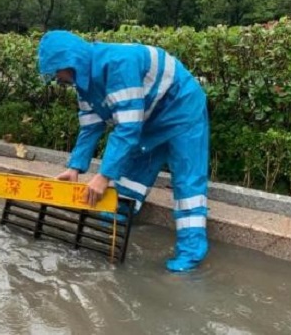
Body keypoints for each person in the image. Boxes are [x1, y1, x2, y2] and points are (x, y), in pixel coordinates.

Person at [38, 30, 209, 272]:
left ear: (70, 62)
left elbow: (128, 128)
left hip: (182, 109)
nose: (57, 77)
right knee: (132, 177)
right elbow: (90, 127)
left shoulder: (118, 65)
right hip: (150, 118)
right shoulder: (84, 84)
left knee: (187, 182)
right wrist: (75, 167)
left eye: (57, 71)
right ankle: (116, 220)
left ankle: (190, 254)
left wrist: (104, 176)